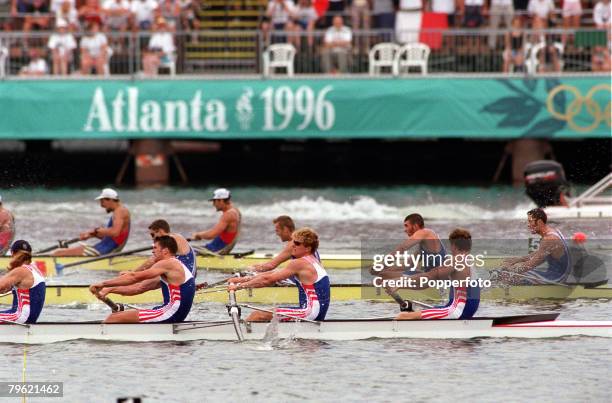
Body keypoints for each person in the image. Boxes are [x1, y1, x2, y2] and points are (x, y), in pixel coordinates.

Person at [228, 227, 330, 322]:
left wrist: (238, 287)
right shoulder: (313, 261)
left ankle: (241, 338)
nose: (293, 245)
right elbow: (273, 274)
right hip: (316, 312)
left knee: (257, 315)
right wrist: (240, 280)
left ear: (308, 248)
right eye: (293, 241)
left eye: (297, 243)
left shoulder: (299, 263)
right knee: (264, 315)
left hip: (310, 313)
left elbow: (267, 280)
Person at [89, 235, 195, 323]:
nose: (152, 251)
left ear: (165, 251)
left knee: (113, 318)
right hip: (175, 313)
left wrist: (103, 284)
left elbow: (134, 278)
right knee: (121, 315)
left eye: (155, 248)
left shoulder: (167, 264)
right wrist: (109, 290)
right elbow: (138, 288)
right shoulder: (175, 266)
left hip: (171, 313)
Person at [395, 229, 480, 320]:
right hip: (465, 310)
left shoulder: (456, 260)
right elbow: (427, 282)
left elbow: (429, 277)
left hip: (457, 311)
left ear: (453, 245)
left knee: (403, 316)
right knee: (412, 308)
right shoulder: (469, 262)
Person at [500, 208, 571, 284]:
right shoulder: (552, 231)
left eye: (530, 221)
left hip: (557, 278)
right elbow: (541, 253)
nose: (528, 225)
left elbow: (532, 264)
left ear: (540, 222)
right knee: (513, 273)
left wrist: (512, 271)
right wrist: (519, 259)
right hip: (555, 273)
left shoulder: (549, 239)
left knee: (510, 275)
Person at [52, 188, 130, 256]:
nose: (101, 205)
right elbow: (113, 237)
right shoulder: (120, 211)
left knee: (58, 253)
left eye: (102, 202)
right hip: (102, 248)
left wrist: (96, 230)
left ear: (110, 200)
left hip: (103, 251)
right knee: (62, 251)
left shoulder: (120, 212)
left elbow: (114, 232)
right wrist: (92, 234)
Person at [0, 240, 46, 324]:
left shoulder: (21, 271)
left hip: (20, 316)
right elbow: (4, 288)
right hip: (29, 317)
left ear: (12, 253)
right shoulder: (35, 269)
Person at [192, 188, 241, 254]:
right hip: (215, 247)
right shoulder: (235, 210)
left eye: (214, 201)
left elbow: (211, 235)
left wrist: (198, 234)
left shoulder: (229, 214)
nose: (213, 204)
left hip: (217, 250)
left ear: (221, 200)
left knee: (181, 252)